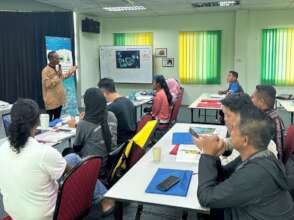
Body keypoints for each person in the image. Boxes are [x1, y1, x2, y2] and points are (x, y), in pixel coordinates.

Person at [0, 99, 112, 220]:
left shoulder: (3, 148)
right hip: (47, 215)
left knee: (71, 157)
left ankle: (103, 197)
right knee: (76, 161)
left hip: (15, 213)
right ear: (37, 121)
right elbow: (72, 174)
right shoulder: (43, 152)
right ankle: (105, 198)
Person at [195, 105, 294, 220]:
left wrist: (207, 154)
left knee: (206, 212)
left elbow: (205, 198)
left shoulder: (256, 172)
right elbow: (223, 175)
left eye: (234, 129)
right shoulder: (260, 154)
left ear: (245, 140)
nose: (230, 133)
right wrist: (214, 154)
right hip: (247, 211)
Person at [220, 94, 278, 163]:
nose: (225, 119)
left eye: (228, 115)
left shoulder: (247, 143)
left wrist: (210, 155)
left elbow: (225, 167)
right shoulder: (253, 132)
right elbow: (231, 142)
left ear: (241, 116)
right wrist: (223, 144)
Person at [73, 87, 117, 176]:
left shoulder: (84, 124)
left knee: (68, 152)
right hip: (110, 162)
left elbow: (76, 147)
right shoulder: (112, 115)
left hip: (92, 167)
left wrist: (78, 124)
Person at [251, 85, 285, 161]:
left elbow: (278, 154)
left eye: (253, 97)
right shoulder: (267, 115)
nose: (251, 100)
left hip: (272, 163)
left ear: (261, 102)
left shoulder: (269, 122)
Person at [98, 78, 136, 145]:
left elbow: (98, 126)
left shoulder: (112, 108)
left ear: (103, 92)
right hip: (130, 141)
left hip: (119, 145)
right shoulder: (129, 102)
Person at [41, 51, 77, 121]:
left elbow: (62, 78)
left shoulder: (57, 68)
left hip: (59, 99)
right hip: (51, 101)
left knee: (57, 121)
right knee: (50, 122)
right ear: (51, 59)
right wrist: (57, 76)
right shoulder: (45, 71)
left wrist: (71, 71)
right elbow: (48, 84)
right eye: (57, 58)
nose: (59, 60)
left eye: (58, 58)